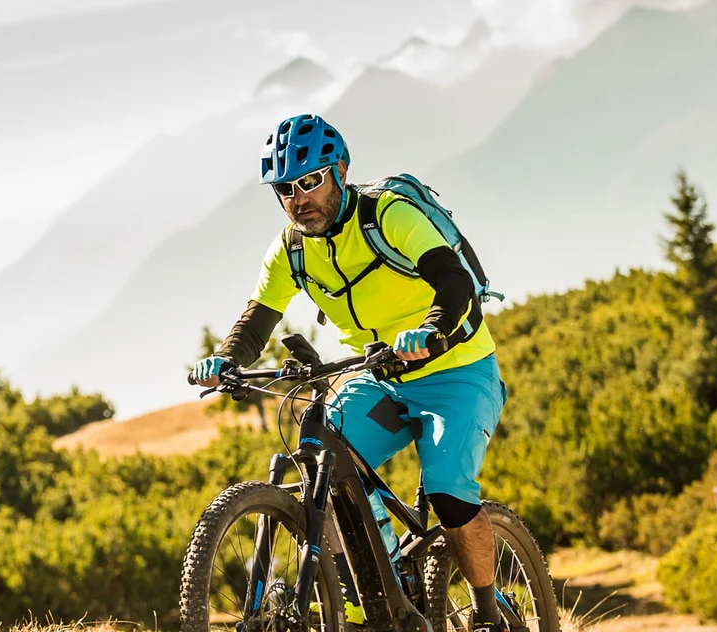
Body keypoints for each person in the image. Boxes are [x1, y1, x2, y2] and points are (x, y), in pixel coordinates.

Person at [189, 114, 510, 631]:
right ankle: (378, 587)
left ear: (340, 170)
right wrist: (227, 359)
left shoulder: (390, 216)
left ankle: (488, 612)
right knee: (324, 462)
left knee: (449, 487)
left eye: (310, 180)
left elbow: (454, 283)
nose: (298, 199)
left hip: (457, 369)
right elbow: (257, 320)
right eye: (285, 189)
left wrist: (428, 330)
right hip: (379, 375)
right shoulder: (291, 249)